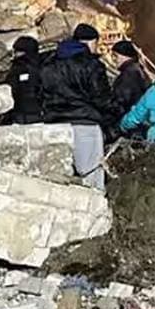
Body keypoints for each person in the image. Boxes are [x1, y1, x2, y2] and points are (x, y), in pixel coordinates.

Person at [39, 23, 115, 188]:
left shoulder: (48, 64)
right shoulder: (91, 64)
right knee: (91, 176)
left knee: (58, 177)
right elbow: (101, 98)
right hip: (85, 124)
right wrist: (115, 114)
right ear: (90, 42)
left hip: (54, 125)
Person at [6, 35, 44, 124]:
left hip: (20, 115)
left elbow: (10, 90)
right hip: (41, 114)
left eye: (16, 51)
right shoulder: (44, 65)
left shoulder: (17, 68)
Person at [111, 39, 151, 122]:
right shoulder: (137, 69)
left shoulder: (129, 73)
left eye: (115, 55)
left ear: (125, 55)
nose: (113, 59)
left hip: (129, 118)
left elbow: (123, 98)